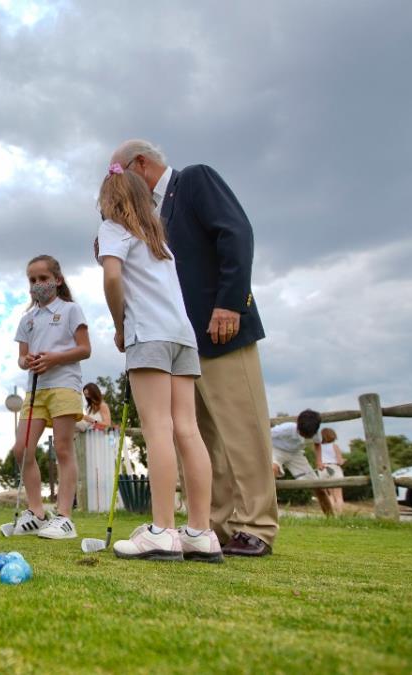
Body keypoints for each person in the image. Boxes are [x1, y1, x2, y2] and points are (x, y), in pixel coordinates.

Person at [114, 139, 277, 557]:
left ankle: (256, 524)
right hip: (181, 342)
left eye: (118, 172)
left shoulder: (194, 180)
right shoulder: (150, 215)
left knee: (242, 430)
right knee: (202, 438)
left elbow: (236, 232)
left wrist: (230, 302)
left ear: (140, 164)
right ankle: (213, 527)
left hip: (222, 327)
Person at [96, 163, 221, 562]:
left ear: (109, 200)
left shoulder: (111, 230)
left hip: (147, 334)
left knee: (158, 429)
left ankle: (162, 530)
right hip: (183, 337)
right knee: (187, 429)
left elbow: (113, 278)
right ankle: (200, 532)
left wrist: (119, 325)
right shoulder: (158, 242)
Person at [4, 255, 91, 539]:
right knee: (22, 449)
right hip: (35, 388)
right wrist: (26, 360)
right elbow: (20, 358)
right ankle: (37, 512)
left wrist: (55, 358)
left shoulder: (70, 310)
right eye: (32, 280)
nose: (37, 285)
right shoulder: (27, 319)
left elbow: (84, 349)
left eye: (43, 278)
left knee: (63, 449)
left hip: (64, 384)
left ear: (57, 280)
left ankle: (64, 516)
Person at [270, 409, 335, 517]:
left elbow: (317, 444)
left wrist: (319, 462)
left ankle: (331, 518)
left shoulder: (315, 431)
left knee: (319, 487)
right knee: (272, 470)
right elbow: (264, 435)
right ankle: (268, 515)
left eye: (307, 435)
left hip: (296, 454)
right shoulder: (286, 428)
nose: (304, 436)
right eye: (302, 433)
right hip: (276, 450)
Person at [319, 427, 346, 513]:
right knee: (338, 496)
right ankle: (339, 515)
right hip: (334, 468)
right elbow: (339, 461)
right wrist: (343, 460)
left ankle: (331, 515)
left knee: (329, 495)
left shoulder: (319, 447)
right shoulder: (334, 446)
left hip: (323, 469)